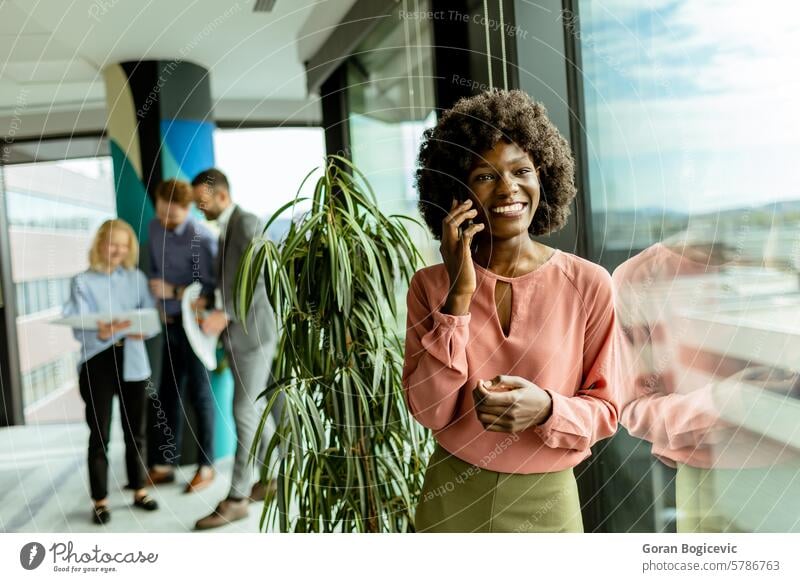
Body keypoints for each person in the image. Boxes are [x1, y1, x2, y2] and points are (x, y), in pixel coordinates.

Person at [403, 89, 619, 532]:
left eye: (521, 170)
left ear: (543, 176)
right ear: (456, 191)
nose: (508, 189)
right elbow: (430, 412)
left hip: (547, 503)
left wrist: (546, 408)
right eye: (485, 176)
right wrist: (458, 297)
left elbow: (607, 410)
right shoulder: (431, 286)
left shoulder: (590, 284)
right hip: (452, 495)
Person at [190, 168, 282, 529]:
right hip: (249, 333)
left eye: (203, 199)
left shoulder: (244, 223)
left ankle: (238, 497)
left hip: (253, 334)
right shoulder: (231, 226)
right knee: (268, 410)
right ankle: (271, 479)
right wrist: (211, 301)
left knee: (245, 410)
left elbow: (259, 277)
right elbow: (234, 277)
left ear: (222, 195)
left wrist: (225, 312)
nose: (200, 207)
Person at [63, 219, 160, 524]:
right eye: (112, 243)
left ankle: (139, 490)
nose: (118, 249)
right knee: (99, 434)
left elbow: (149, 318)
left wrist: (132, 328)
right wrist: (106, 330)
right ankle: (100, 500)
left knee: (137, 432)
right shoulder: (81, 281)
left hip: (133, 361)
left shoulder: (136, 278)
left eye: (123, 244)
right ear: (100, 244)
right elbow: (77, 324)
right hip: (97, 363)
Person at [147, 179, 218, 492]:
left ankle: (207, 466)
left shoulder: (201, 237)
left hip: (196, 327)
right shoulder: (152, 228)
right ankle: (165, 465)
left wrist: (173, 291)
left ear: (187, 210)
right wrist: (158, 302)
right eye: (161, 213)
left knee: (200, 395)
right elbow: (152, 271)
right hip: (169, 323)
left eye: (172, 217)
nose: (165, 221)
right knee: (167, 395)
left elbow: (210, 291)